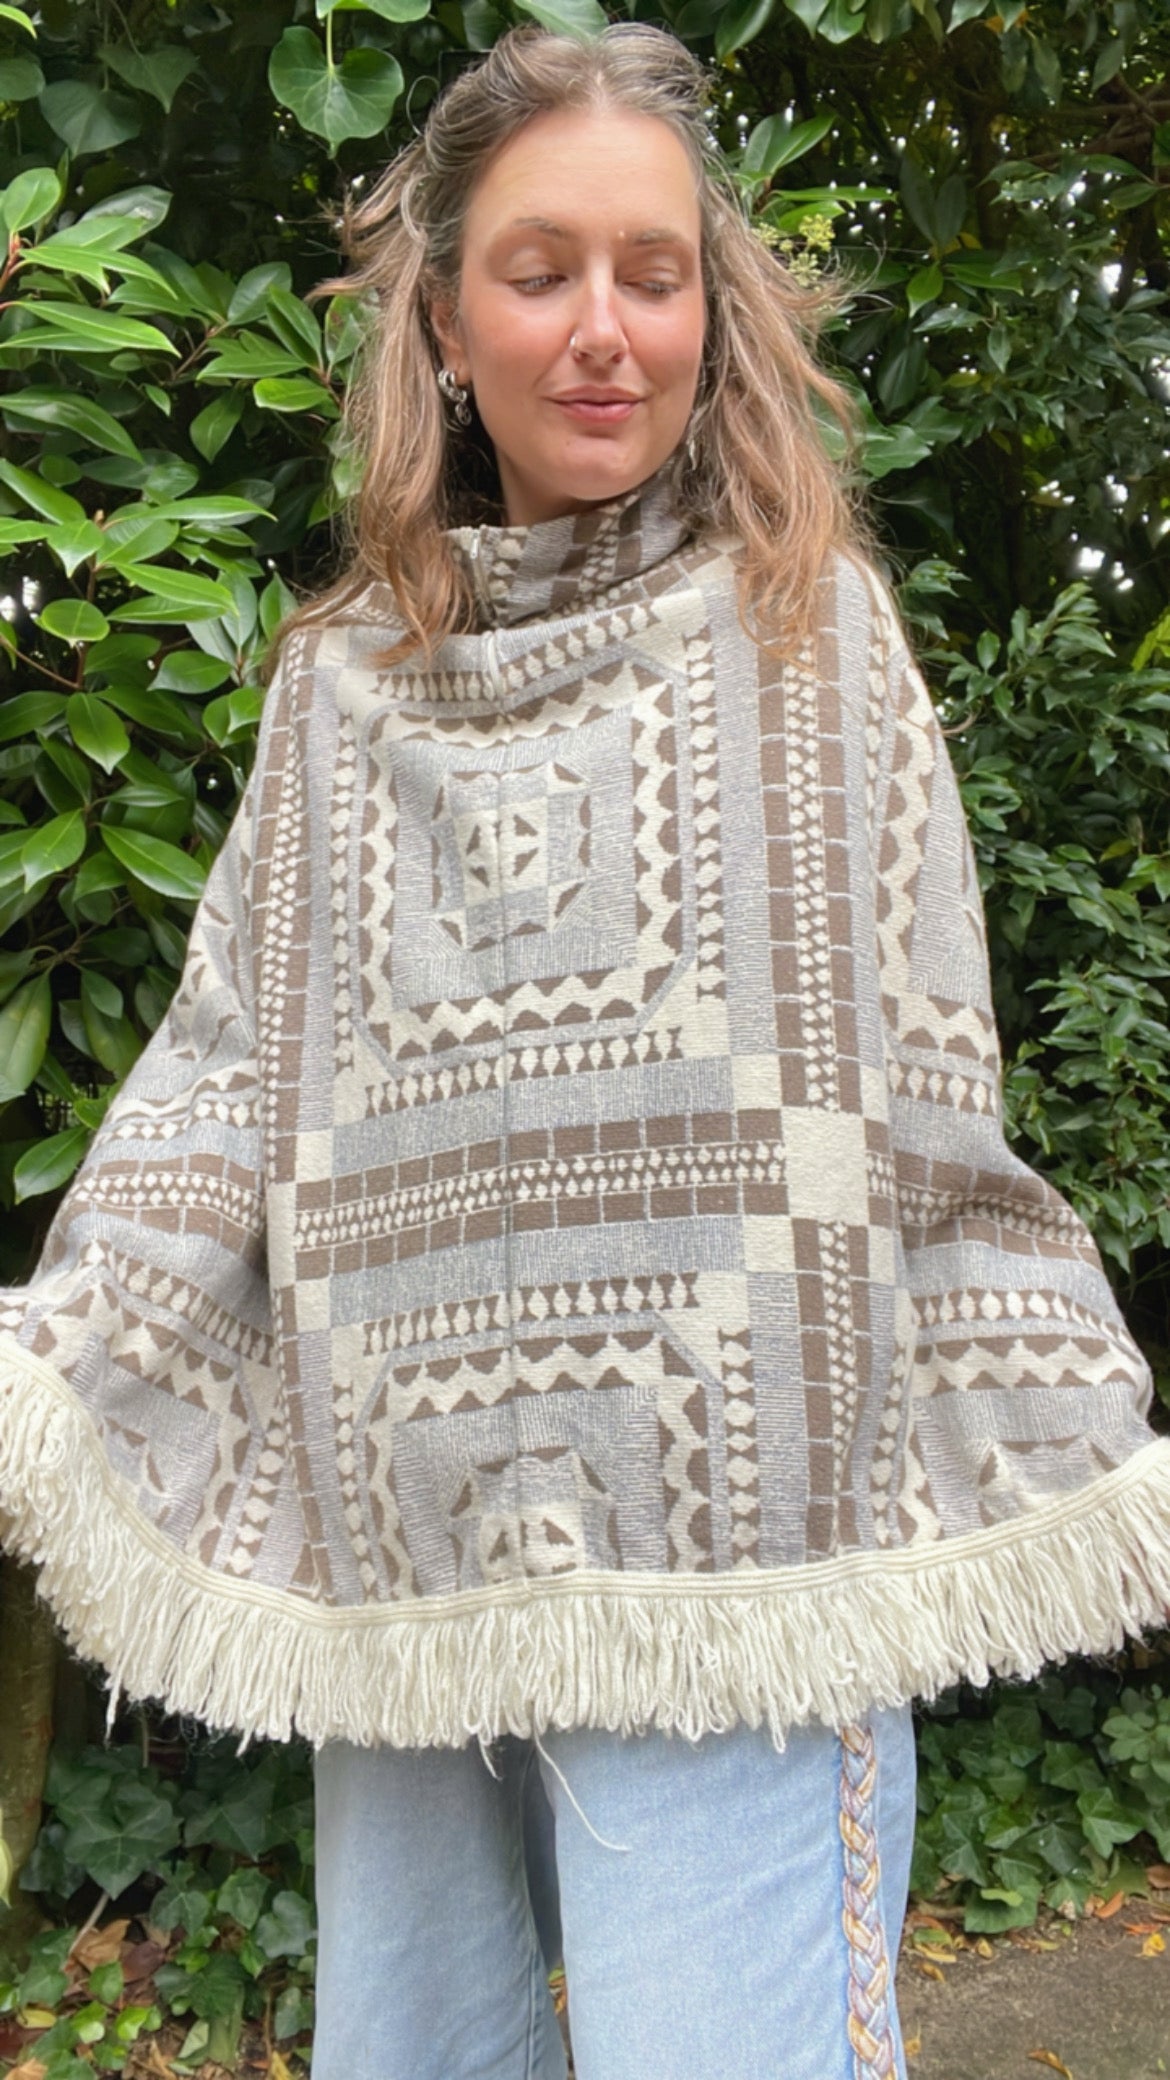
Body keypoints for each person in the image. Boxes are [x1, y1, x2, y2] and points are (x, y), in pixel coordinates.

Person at [0, 23, 1167, 2080]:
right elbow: (229, 1077)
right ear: (448, 324)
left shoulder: (812, 640)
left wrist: (1037, 1380)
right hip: (404, 1549)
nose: (605, 329)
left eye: (655, 272)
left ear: (717, 313)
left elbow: (916, 1094)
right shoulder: (337, 687)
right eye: (541, 271)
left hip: (743, 1565)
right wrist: (63, 1358)